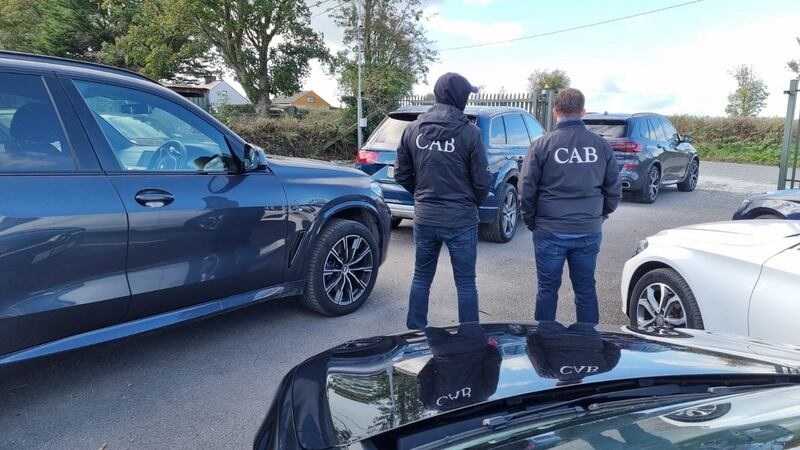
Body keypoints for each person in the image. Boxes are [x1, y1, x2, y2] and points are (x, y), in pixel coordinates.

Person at [395, 72, 491, 330]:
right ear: (460, 97)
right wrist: (471, 201)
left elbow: (401, 174)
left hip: (426, 217)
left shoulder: (412, 129)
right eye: (467, 94)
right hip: (460, 219)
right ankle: (469, 336)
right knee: (466, 282)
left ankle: (415, 333)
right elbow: (482, 181)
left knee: (422, 277)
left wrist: (423, 194)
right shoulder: (471, 133)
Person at [519, 88, 621, 324]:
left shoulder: (541, 145)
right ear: (583, 112)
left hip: (550, 229)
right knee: (585, 289)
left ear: (555, 112)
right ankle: (587, 348)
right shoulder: (601, 146)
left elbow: (526, 188)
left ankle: (544, 344)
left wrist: (531, 221)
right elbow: (613, 189)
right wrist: (600, 215)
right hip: (588, 228)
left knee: (547, 289)